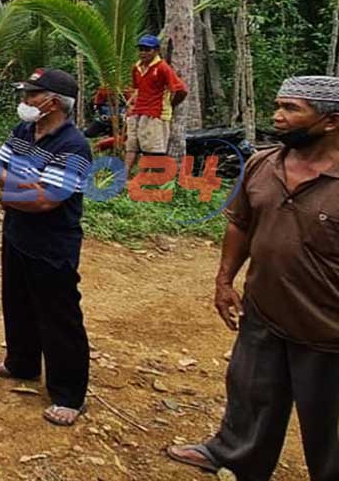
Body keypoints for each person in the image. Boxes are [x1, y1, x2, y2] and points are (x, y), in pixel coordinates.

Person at [166, 76, 339, 480]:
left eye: (292, 109)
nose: (278, 117)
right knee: (250, 389)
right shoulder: (263, 164)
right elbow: (241, 225)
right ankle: (235, 455)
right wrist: (225, 280)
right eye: (278, 105)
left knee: (327, 416)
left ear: (330, 121)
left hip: (328, 324)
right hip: (263, 307)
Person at [0, 68, 93, 427]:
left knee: (58, 315)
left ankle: (70, 394)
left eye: (33, 95)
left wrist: (9, 192)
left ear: (54, 102)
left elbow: (48, 199)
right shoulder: (24, 131)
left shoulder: (74, 144)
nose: (26, 101)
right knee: (16, 301)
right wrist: (24, 188)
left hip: (52, 242)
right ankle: (22, 362)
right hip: (17, 233)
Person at [125, 34, 187, 171]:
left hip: (155, 113)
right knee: (131, 146)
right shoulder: (136, 68)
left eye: (147, 50)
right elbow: (137, 89)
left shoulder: (162, 68)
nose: (143, 53)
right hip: (138, 112)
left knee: (153, 149)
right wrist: (131, 103)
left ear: (156, 50)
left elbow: (181, 90)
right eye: (141, 49)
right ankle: (123, 178)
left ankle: (153, 182)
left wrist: (171, 104)